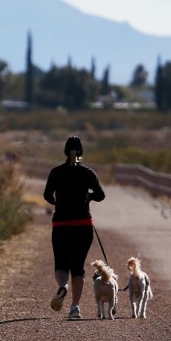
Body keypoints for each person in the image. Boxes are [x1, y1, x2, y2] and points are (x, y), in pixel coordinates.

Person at [43, 136, 105, 318]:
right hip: (83, 225)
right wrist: (89, 197)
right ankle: (75, 308)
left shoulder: (56, 172)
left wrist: (59, 203)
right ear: (81, 152)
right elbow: (101, 195)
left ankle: (63, 286)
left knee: (61, 263)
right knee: (78, 266)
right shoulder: (88, 173)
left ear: (65, 151)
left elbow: (47, 195)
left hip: (61, 224)